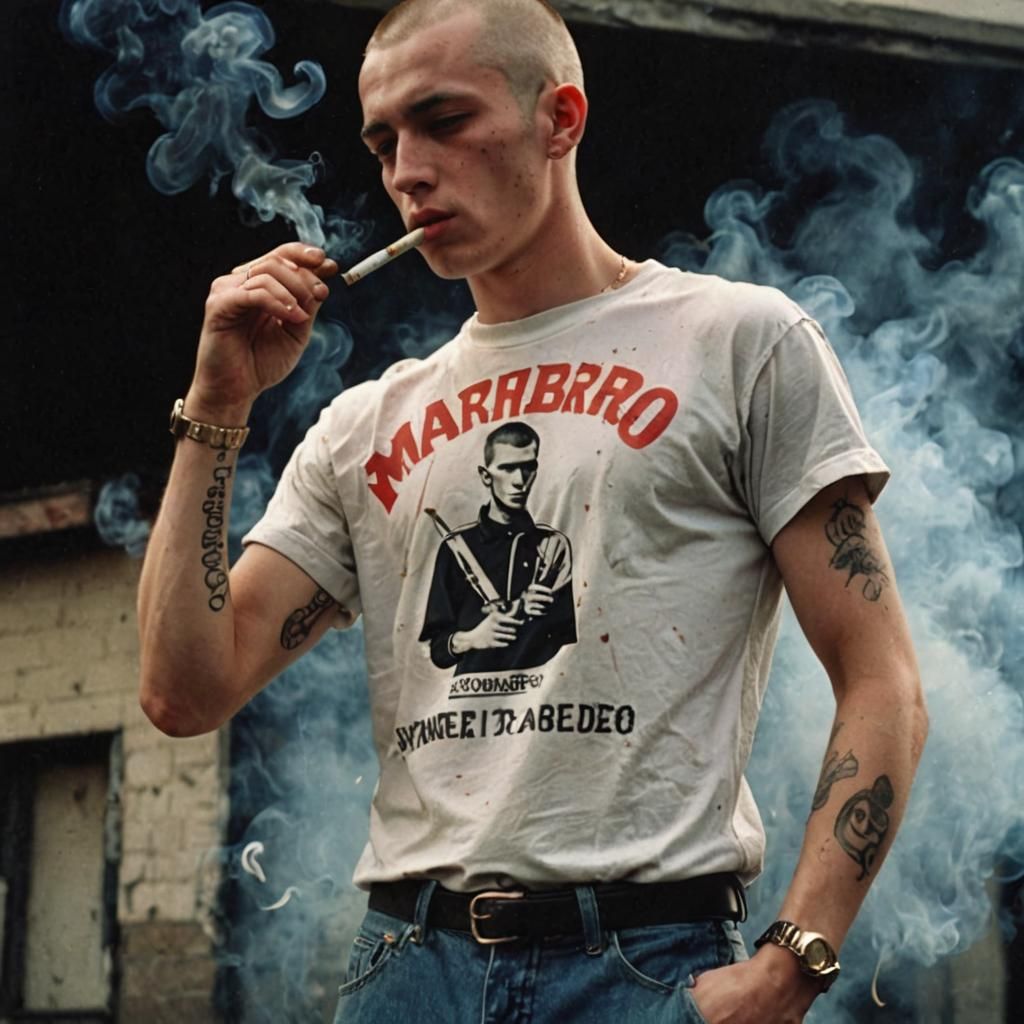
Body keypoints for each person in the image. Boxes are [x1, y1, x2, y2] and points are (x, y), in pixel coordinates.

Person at [137, 0, 928, 1021]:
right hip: (408, 965)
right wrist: (217, 405)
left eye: (443, 121)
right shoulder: (363, 422)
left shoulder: (739, 342)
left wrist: (794, 961)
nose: (406, 171)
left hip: (642, 965)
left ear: (559, 119)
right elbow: (182, 692)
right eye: (384, 143)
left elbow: (882, 679)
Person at [419, 420, 576, 676]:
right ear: (485, 475)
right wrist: (472, 638)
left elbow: (572, 640)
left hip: (546, 705)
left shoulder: (553, 545)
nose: (519, 481)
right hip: (471, 706)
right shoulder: (456, 547)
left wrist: (540, 614)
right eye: (507, 468)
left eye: (527, 468)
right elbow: (438, 651)